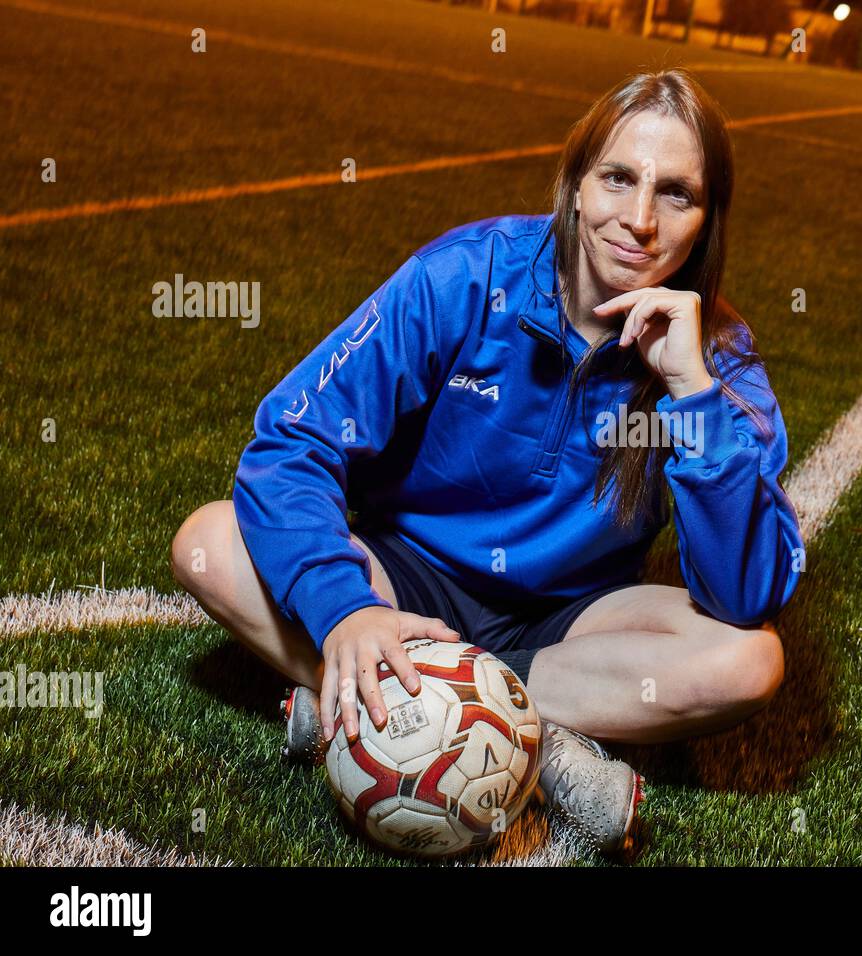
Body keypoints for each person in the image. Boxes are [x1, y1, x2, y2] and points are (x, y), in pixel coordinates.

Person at [171, 68, 803, 856]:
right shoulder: (467, 277)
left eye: (676, 193)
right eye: (617, 178)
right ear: (574, 185)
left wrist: (691, 392)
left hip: (573, 616)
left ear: (707, 221)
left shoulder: (718, 360)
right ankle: (532, 746)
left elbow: (745, 596)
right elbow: (291, 443)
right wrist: (348, 610)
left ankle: (359, 713)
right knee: (210, 542)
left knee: (747, 661)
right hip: (405, 573)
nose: (639, 219)